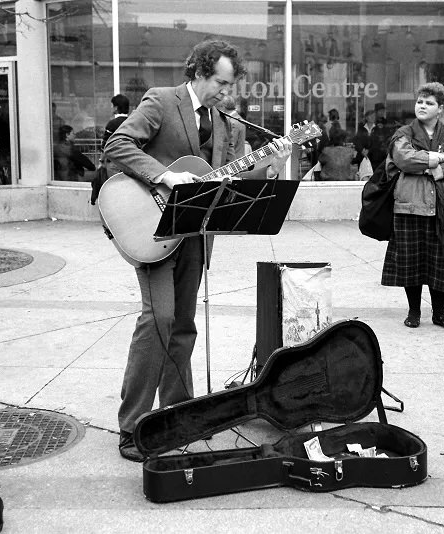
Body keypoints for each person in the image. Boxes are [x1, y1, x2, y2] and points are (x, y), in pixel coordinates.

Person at [103, 39, 291, 462]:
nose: (226, 93)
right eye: (220, 84)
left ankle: (175, 411)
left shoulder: (227, 123)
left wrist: (272, 164)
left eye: (230, 86)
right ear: (199, 73)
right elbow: (117, 145)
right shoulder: (161, 101)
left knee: (184, 323)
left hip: (196, 233)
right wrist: (164, 177)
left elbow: (232, 181)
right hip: (150, 227)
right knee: (159, 318)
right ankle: (132, 424)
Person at [381, 82, 444, 331]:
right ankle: (414, 311)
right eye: (420, 101)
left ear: (440, 108)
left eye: (429, 103)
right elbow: (403, 159)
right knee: (412, 261)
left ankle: (439, 313)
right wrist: (437, 158)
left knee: (440, 261)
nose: (423, 106)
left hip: (443, 207)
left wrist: (437, 169)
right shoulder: (404, 134)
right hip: (410, 206)